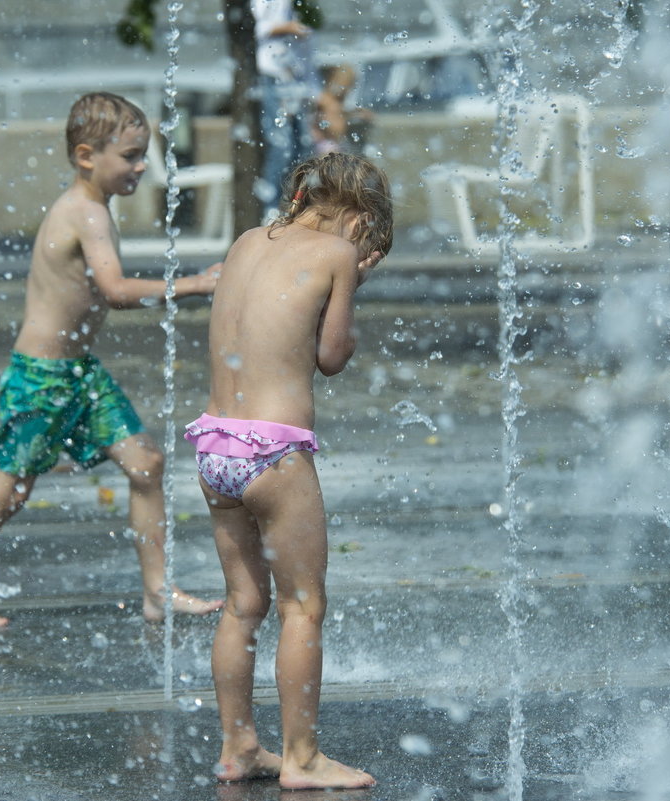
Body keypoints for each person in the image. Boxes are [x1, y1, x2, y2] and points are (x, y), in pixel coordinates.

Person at [0, 92, 224, 628]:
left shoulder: (93, 209)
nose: (140, 167)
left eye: (143, 154)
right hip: (41, 377)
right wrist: (196, 284)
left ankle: (157, 591)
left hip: (78, 372)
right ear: (87, 156)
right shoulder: (84, 213)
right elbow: (115, 290)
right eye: (130, 155)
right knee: (10, 493)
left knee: (145, 463)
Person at [184, 152, 393, 789]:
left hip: (213, 445)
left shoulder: (248, 241)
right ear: (358, 222)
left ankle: (238, 747)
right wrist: (354, 281)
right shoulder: (336, 256)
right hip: (273, 453)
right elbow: (331, 357)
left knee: (244, 604)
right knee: (303, 605)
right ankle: (301, 758)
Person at [251, 0, 321, 221]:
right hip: (273, 77)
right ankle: (271, 208)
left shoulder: (298, 7)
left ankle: (299, 202)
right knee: (279, 143)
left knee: (302, 145)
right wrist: (288, 28)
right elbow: (259, 28)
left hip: (294, 79)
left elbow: (307, 56)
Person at [312, 63, 373, 155]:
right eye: (347, 85)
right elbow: (335, 128)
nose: (348, 90)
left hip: (332, 144)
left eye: (351, 85)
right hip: (324, 146)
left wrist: (354, 113)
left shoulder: (333, 102)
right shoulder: (326, 101)